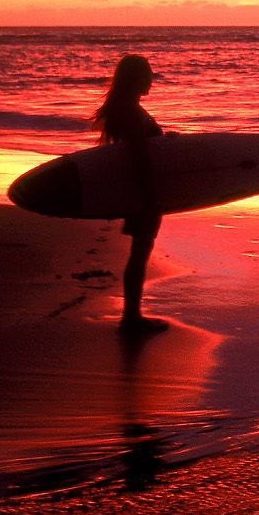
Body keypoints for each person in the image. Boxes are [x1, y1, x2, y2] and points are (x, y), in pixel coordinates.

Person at [92, 54, 166, 333]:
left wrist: (164, 142)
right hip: (142, 191)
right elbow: (138, 157)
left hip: (137, 189)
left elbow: (142, 149)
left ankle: (132, 314)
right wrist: (150, 197)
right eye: (147, 74)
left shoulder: (127, 109)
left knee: (141, 250)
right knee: (140, 251)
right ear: (136, 79)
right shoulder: (132, 113)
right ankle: (131, 317)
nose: (151, 80)